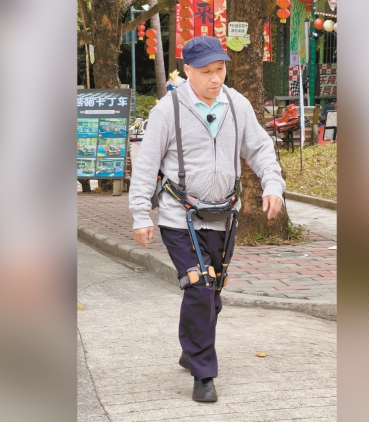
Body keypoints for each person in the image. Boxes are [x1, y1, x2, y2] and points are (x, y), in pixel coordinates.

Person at [128, 36, 285, 403]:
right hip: (178, 216)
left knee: (211, 294)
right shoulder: (168, 110)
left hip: (224, 215)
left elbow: (259, 147)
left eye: (220, 70)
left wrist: (272, 185)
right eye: (206, 72)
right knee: (199, 285)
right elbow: (146, 165)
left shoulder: (236, 103)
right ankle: (203, 373)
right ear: (187, 71)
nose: (216, 79)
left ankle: (191, 346)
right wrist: (140, 214)